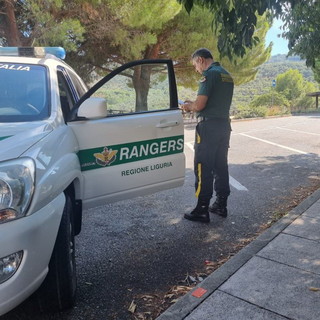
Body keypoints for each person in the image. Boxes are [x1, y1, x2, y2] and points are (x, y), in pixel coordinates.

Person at [182, 48, 234, 223]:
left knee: (203, 166)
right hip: (224, 126)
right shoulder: (226, 74)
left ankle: (202, 209)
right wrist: (194, 104)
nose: (196, 69)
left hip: (208, 127)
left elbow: (200, 104)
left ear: (201, 60)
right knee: (220, 165)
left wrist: (188, 106)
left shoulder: (209, 74)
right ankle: (221, 204)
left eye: (195, 64)